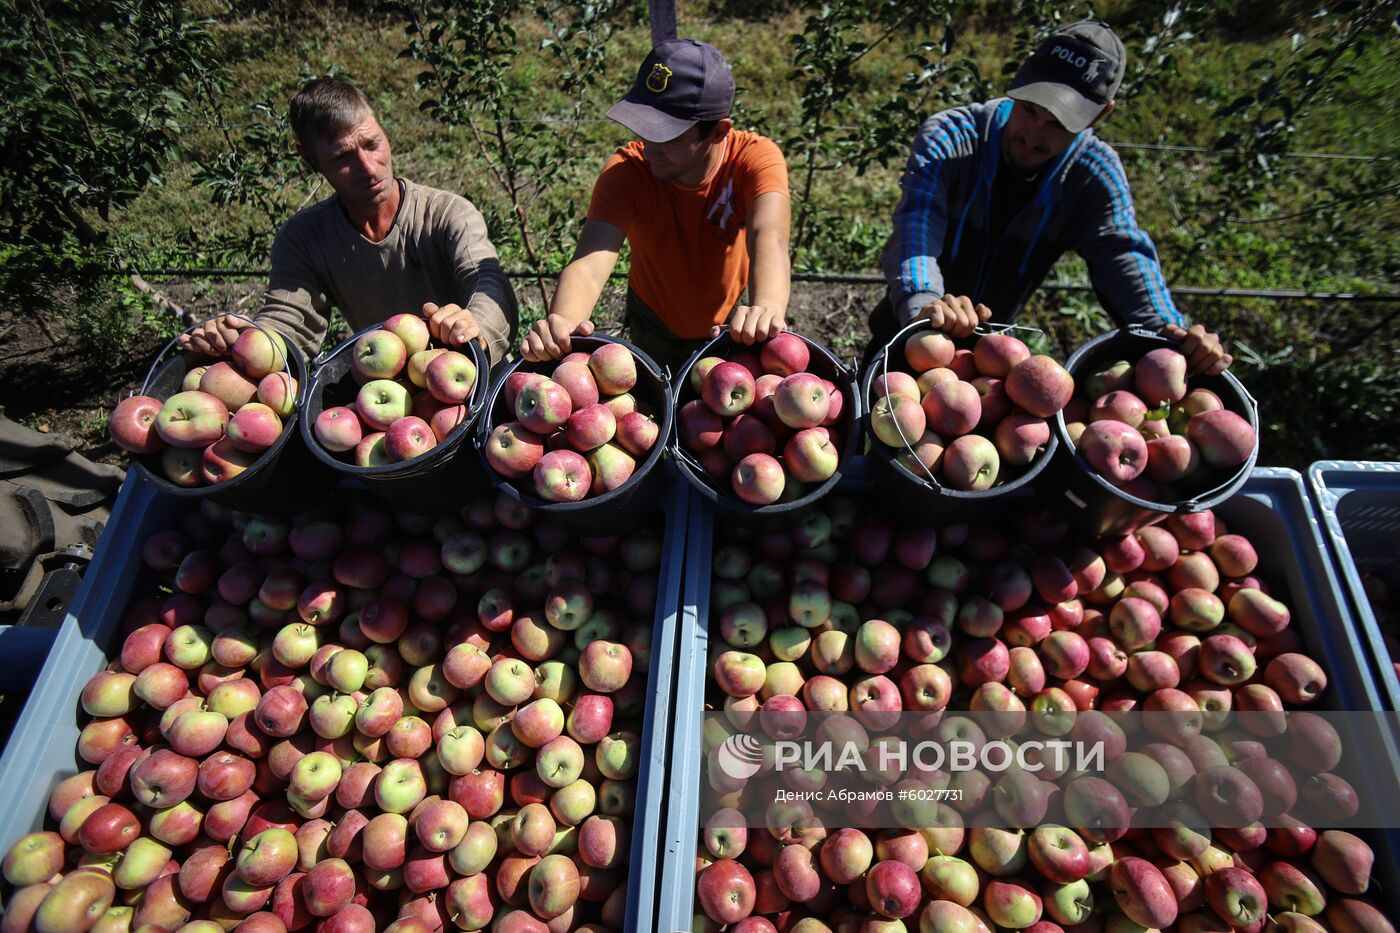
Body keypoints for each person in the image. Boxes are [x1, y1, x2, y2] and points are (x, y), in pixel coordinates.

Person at [867, 20, 1230, 375]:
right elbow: (918, 224)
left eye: (1058, 125)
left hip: (992, 358)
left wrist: (1167, 331)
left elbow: (1123, 255)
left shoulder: (1092, 176)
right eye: (1028, 109)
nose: (1032, 135)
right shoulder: (953, 138)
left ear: (1101, 114)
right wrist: (924, 302)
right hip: (907, 327)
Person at [180, 77, 517, 366]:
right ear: (309, 160)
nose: (369, 168)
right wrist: (244, 342)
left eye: (373, 144)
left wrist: (475, 326)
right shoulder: (305, 239)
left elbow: (487, 282)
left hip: (471, 382)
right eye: (342, 158)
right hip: (385, 391)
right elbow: (289, 323)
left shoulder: (445, 213)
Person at [518, 39, 792, 374]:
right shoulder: (628, 173)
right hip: (653, 319)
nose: (650, 150)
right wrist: (563, 328)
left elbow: (770, 239)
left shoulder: (753, 160)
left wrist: (766, 308)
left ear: (718, 132)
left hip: (727, 325)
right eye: (645, 131)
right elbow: (589, 265)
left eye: (669, 137)